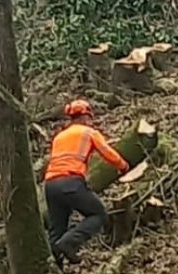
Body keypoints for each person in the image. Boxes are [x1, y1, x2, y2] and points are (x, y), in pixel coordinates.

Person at [43, 99, 130, 266]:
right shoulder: (88, 132)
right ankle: (69, 243)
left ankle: (56, 265)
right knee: (98, 214)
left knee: (57, 229)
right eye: (90, 118)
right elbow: (107, 152)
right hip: (71, 182)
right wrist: (123, 166)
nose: (91, 121)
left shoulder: (59, 137)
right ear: (84, 117)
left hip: (51, 185)